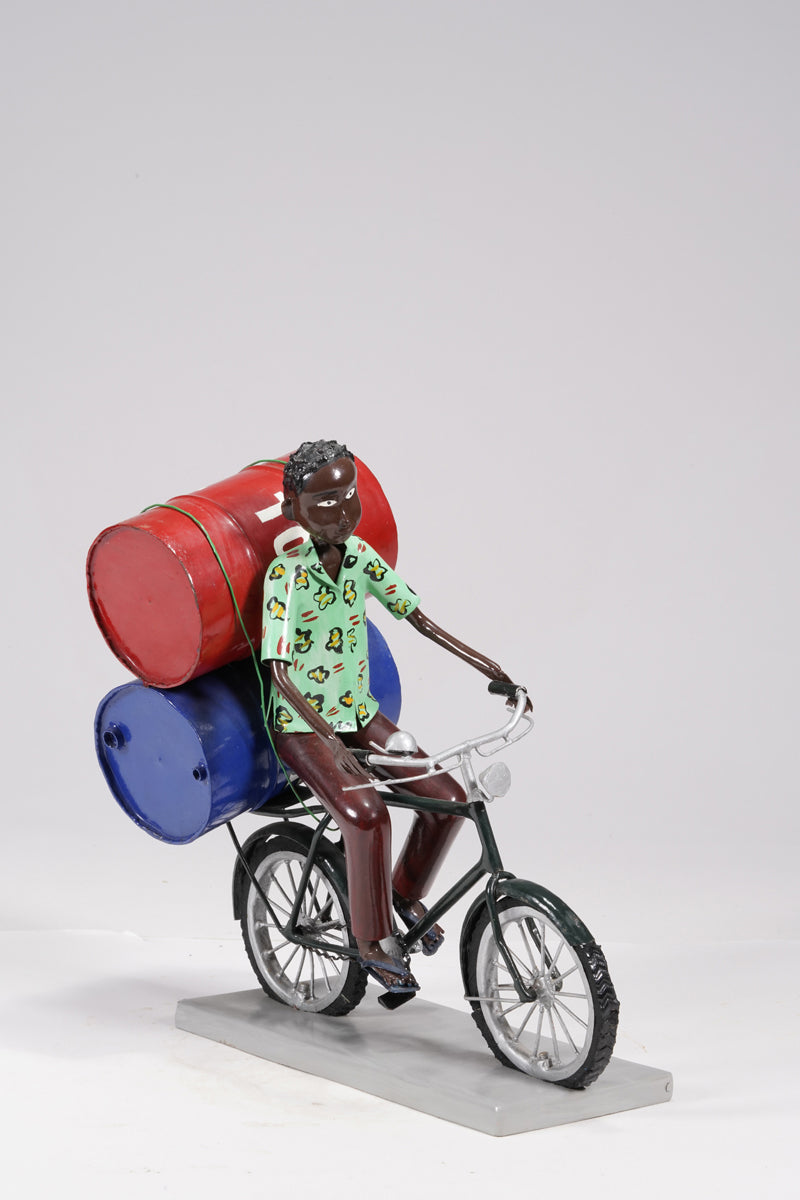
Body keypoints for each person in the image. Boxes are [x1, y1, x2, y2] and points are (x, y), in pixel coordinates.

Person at [261, 439, 523, 995]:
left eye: (349, 495)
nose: (343, 511)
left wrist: (490, 668)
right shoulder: (285, 577)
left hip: (358, 712)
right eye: (325, 501)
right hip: (303, 726)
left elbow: (418, 618)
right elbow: (280, 674)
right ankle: (371, 940)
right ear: (294, 511)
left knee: (447, 799)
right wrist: (328, 741)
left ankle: (401, 897)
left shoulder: (360, 559)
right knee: (365, 813)